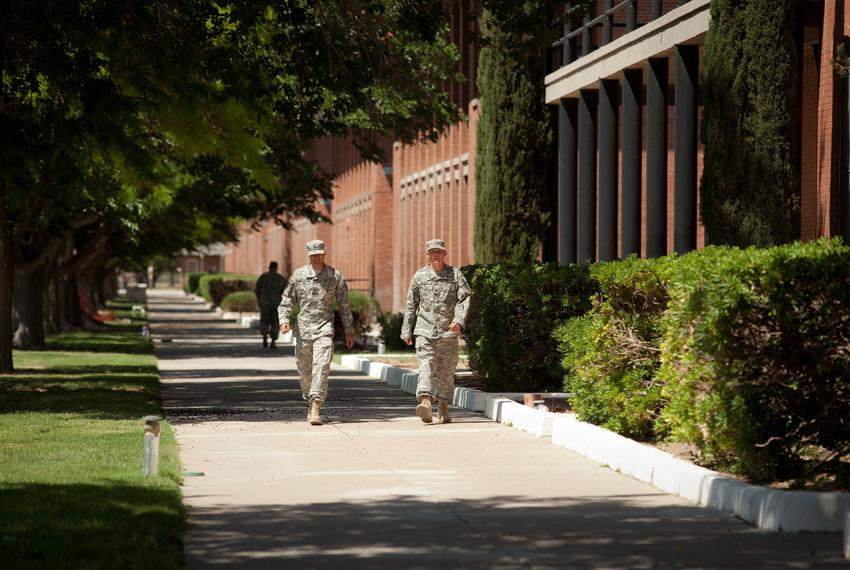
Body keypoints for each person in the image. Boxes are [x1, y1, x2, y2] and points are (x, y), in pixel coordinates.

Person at [279, 240, 354, 426]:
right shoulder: (299, 275)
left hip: (325, 329)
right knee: (305, 371)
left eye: (319, 254)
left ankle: (316, 405)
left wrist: (349, 330)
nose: (316, 257)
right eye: (313, 255)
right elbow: (286, 299)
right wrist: (284, 319)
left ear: (324, 253)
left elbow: (344, 305)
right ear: (308, 256)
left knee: (321, 367)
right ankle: (309, 395)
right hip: (303, 331)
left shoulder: (334, 276)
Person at [401, 239, 471, 424]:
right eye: (432, 252)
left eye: (439, 252)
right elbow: (411, 304)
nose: (436, 255)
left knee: (446, 372)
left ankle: (443, 405)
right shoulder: (419, 276)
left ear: (444, 253)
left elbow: (464, 299)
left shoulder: (455, 275)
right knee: (425, 365)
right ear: (428, 255)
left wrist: (459, 320)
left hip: (448, 333)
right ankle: (425, 401)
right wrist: (406, 330)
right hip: (424, 330)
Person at [254, 261, 287, 349]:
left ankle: (264, 338)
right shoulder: (280, 278)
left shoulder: (263, 277)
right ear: (276, 268)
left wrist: (259, 300)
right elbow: (285, 292)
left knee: (264, 320)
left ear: (269, 267)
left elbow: (257, 289)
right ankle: (273, 342)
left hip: (265, 303)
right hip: (276, 304)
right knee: (275, 322)